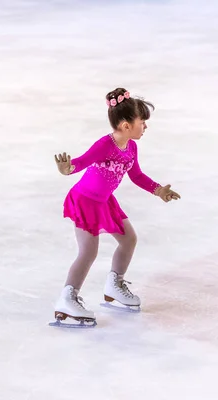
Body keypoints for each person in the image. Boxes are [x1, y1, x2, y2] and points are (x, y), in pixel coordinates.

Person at [50, 87, 180, 327]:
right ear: (126, 125)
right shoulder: (105, 145)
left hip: (105, 201)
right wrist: (67, 169)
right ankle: (67, 298)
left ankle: (114, 284)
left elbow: (137, 176)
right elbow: (81, 162)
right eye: (142, 121)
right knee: (88, 252)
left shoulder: (131, 147)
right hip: (86, 200)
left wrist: (158, 190)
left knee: (128, 239)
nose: (146, 126)